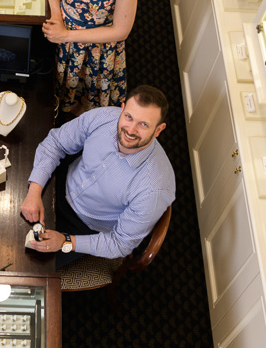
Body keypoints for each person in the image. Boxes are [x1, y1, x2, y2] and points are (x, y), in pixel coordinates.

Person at [20, 85, 175, 267]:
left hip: (83, 226)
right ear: (122, 109)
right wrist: (34, 190)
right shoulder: (105, 116)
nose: (131, 130)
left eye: (144, 124)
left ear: (158, 130)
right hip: (59, 180)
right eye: (128, 117)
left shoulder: (154, 189)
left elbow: (120, 243)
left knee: (26, 265)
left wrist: (65, 241)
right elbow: (56, 142)